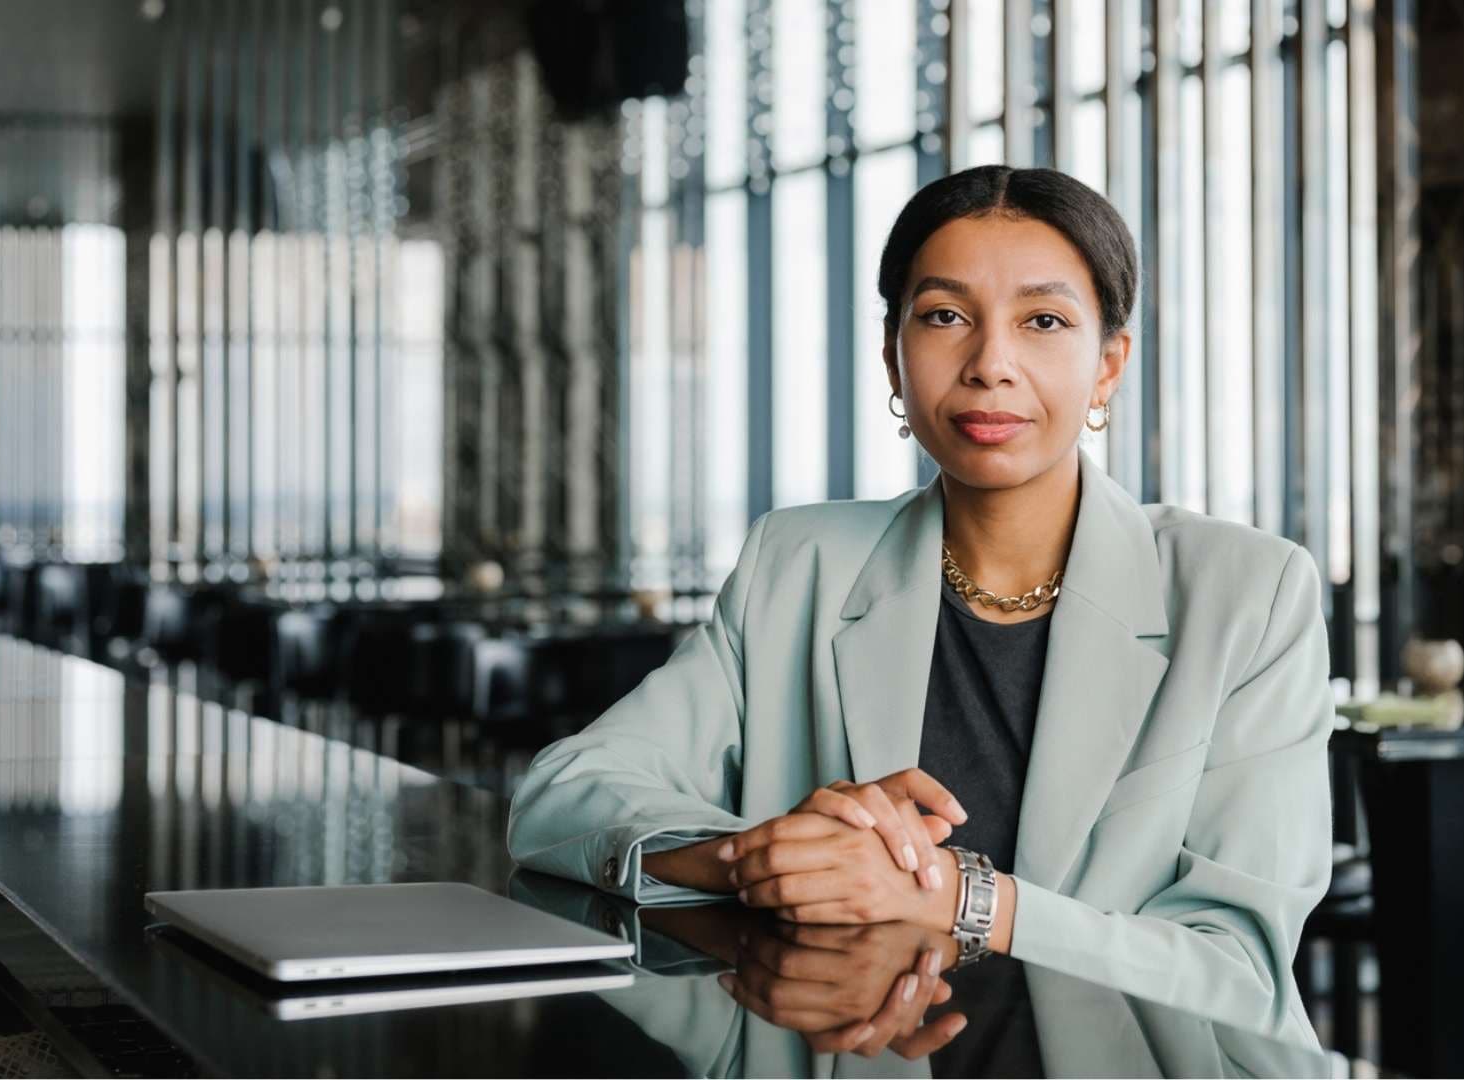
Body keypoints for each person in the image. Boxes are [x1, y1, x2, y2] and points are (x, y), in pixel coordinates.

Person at [507, 164, 1334, 1047]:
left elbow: (1241, 972)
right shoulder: (801, 562)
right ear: (893, 357)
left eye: (1044, 321)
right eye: (944, 316)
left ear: (1107, 365)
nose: (990, 366)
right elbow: (560, 799)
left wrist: (960, 899)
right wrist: (752, 857)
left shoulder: (1247, 593)